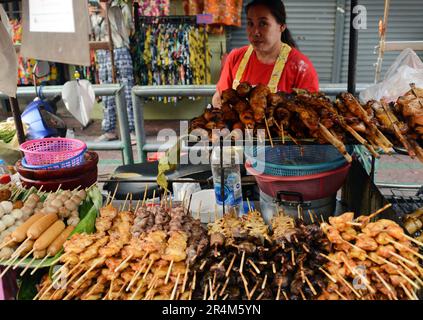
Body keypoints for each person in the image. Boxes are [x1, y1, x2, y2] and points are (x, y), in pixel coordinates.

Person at [212, 0, 319, 108]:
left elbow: (311, 114)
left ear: (281, 26)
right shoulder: (235, 57)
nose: (255, 32)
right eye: (250, 23)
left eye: (263, 23)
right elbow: (220, 96)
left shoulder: (301, 68)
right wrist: (218, 101)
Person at [89, 0, 136, 142]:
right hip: (102, 53)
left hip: (120, 50)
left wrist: (107, 14)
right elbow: (90, 34)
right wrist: (86, 17)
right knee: (107, 94)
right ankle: (109, 130)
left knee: (127, 93)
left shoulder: (121, 6)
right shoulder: (93, 9)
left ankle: (131, 131)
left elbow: (128, 31)